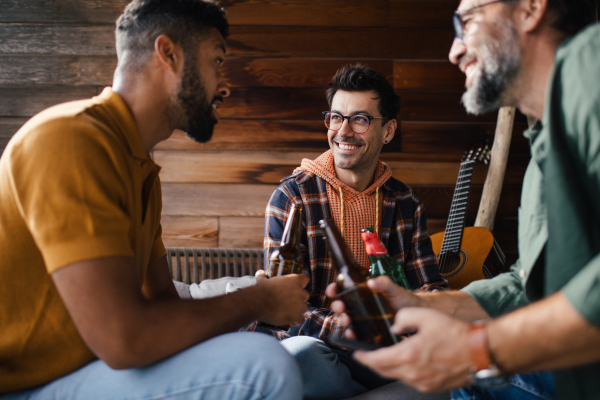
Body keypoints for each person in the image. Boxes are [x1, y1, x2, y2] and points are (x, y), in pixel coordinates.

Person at [0, 1, 310, 399]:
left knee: (298, 360)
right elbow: (124, 340)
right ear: (169, 54)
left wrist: (259, 303)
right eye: (216, 61)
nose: (224, 86)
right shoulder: (70, 139)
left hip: (83, 371)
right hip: (22, 386)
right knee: (264, 366)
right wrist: (259, 299)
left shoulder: (140, 168)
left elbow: (162, 302)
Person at [326, 1, 600, 399]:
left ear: (530, 8)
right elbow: (528, 286)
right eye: (335, 117)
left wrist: (477, 349)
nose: (454, 51)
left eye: (467, 21)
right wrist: (420, 304)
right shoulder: (541, 147)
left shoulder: (588, 64)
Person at [245, 64, 447, 400]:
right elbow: (286, 306)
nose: (343, 131)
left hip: (387, 347)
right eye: (336, 117)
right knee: (302, 357)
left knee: (455, 373)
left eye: (360, 119)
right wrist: (359, 330)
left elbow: (427, 283)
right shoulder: (292, 197)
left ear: (388, 130)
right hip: (317, 343)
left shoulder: (406, 202)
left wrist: (434, 318)